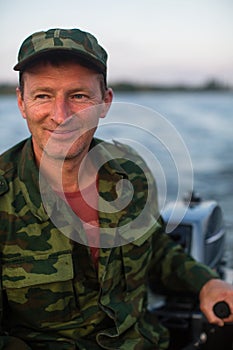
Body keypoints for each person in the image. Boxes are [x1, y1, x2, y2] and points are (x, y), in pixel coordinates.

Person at [0, 28, 233, 350]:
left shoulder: (130, 170)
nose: (61, 115)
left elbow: (155, 248)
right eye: (43, 95)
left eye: (79, 96)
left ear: (105, 102)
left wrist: (206, 281)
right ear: (22, 103)